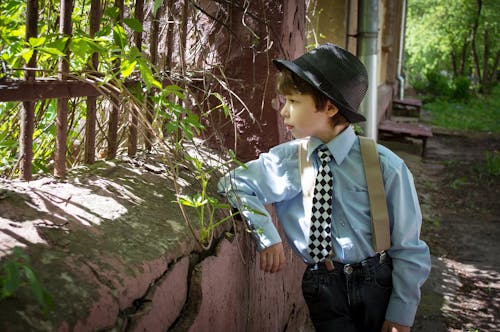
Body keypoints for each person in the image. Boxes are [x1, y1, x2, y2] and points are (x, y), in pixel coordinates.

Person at [217, 43, 431, 332]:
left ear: (329, 107)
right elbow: (233, 183)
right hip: (323, 284)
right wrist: (266, 235)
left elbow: (408, 247)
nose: (283, 112)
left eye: (293, 101)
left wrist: (401, 314)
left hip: (378, 282)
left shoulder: (385, 167)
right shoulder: (289, 159)